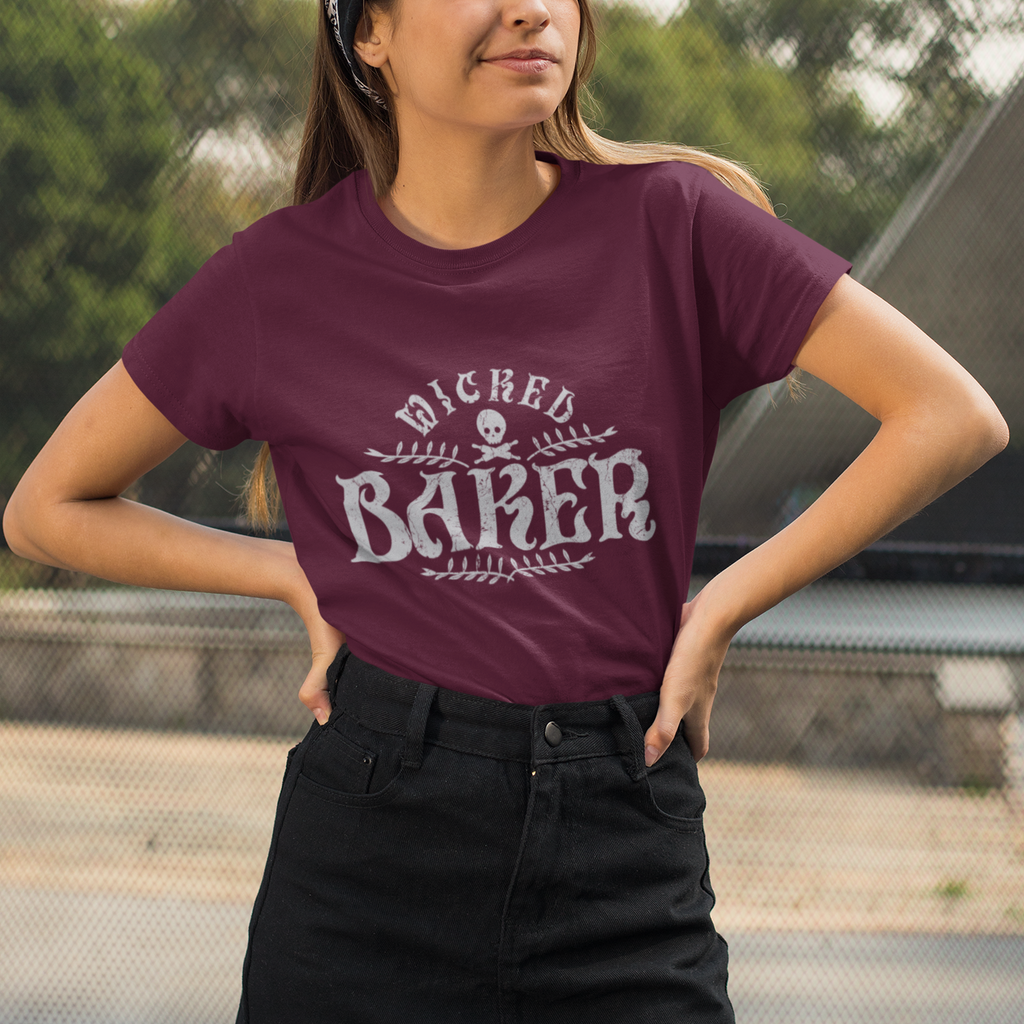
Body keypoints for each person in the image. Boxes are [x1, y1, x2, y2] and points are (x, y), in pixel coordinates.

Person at [3, 0, 1008, 1020]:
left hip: (625, 834)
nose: (529, 7)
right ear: (369, 35)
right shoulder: (277, 278)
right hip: (373, 847)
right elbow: (47, 507)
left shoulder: (675, 224)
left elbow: (949, 414)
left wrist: (722, 604)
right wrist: (285, 572)